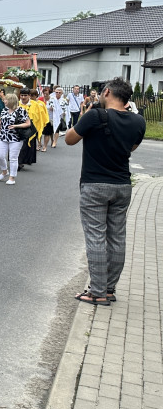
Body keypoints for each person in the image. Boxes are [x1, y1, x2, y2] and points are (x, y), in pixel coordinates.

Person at [65, 77, 145, 306]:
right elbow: (132, 148)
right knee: (117, 237)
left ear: (107, 92)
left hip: (95, 185)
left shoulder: (94, 116)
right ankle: (109, 289)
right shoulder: (138, 122)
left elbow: (70, 139)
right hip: (122, 185)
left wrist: (87, 115)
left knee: (96, 237)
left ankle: (97, 291)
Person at [0, 93, 31, 185]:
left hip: (16, 137)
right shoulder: (4, 110)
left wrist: (16, 126)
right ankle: (4, 171)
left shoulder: (21, 110)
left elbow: (28, 123)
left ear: (11, 101)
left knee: (13, 158)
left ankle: (12, 177)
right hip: (3, 136)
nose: (4, 101)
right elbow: (0, 123)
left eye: (5, 99)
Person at [17, 88, 48, 169]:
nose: (23, 97)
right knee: (18, 144)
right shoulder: (17, 104)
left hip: (30, 127)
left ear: (29, 96)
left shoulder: (35, 104)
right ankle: (17, 161)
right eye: (22, 95)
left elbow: (40, 115)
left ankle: (21, 161)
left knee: (26, 144)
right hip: (18, 126)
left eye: (25, 95)